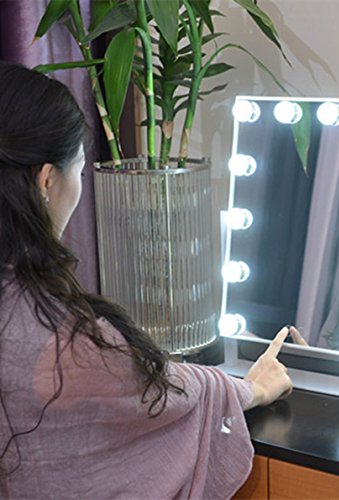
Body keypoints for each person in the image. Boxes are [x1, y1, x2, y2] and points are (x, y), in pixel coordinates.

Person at [0, 61, 293, 499]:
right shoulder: (61, 340)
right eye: (79, 171)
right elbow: (162, 392)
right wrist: (251, 389)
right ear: (46, 180)